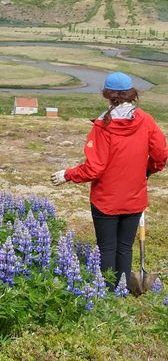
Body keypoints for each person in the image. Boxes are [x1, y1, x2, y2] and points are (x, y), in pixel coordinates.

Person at [51, 71, 167, 288]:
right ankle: (121, 289)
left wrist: (67, 175)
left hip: (105, 199)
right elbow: (161, 153)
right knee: (125, 246)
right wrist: (148, 170)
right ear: (132, 93)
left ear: (107, 94)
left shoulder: (103, 126)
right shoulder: (146, 120)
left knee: (106, 247)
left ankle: (106, 291)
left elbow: (94, 169)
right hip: (134, 197)